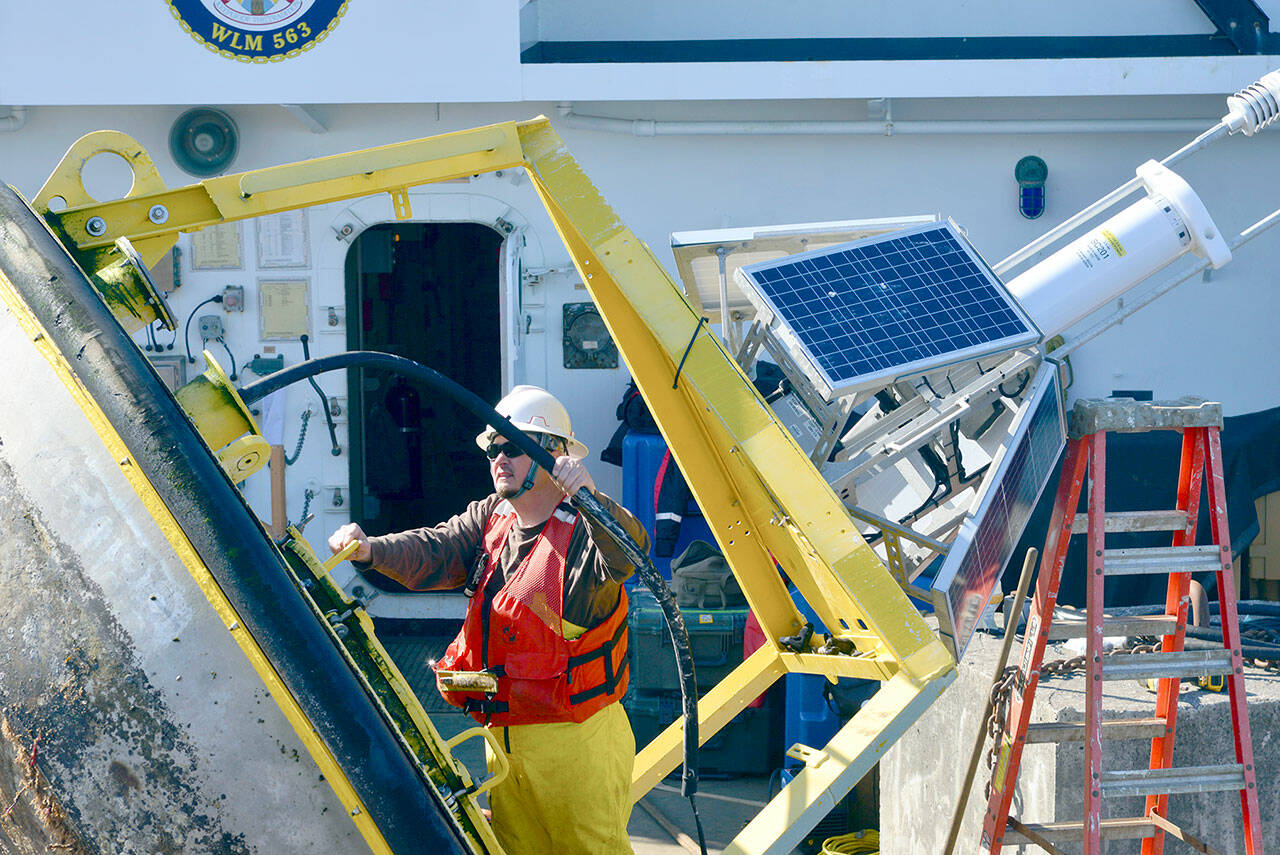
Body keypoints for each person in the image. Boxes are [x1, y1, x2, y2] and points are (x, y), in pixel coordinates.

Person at [329, 385, 645, 855]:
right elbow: (435, 548)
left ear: (554, 453)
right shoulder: (490, 518)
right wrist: (372, 549)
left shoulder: (584, 533)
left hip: (576, 742)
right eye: (493, 448)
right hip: (500, 738)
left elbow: (627, 555)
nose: (499, 457)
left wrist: (590, 497)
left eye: (513, 447)